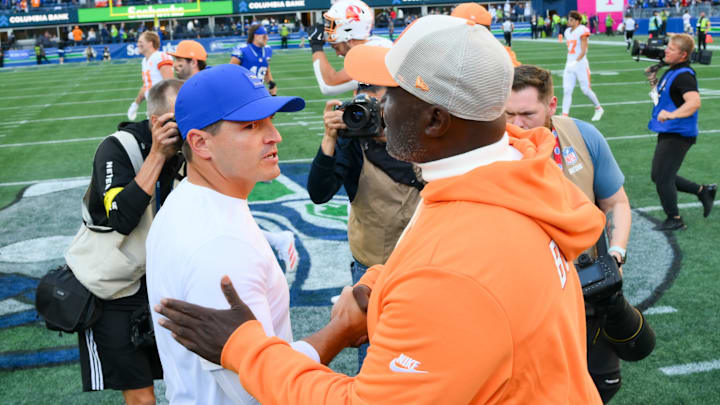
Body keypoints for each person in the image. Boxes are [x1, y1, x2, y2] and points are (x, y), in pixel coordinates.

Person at [155, 15, 606, 404]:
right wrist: (387, 281)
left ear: (434, 120)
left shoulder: (455, 265)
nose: (374, 105)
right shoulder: (508, 169)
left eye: (388, 93)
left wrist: (244, 346)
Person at [145, 65, 340, 404]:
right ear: (201, 143)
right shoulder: (221, 246)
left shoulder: (191, 201)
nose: (274, 136)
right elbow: (257, 390)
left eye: (270, 120)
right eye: (251, 126)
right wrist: (342, 331)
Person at [506, 64, 656, 403]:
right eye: (508, 113)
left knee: (602, 384)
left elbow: (616, 202)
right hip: (524, 299)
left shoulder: (584, 136)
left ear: (552, 105)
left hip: (588, 289)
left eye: (527, 113)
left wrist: (616, 254)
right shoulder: (492, 147)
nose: (516, 124)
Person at [71, 79, 185, 405]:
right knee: (141, 395)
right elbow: (121, 217)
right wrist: (159, 156)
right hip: (115, 290)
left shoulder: (191, 146)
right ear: (155, 121)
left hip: (165, 285)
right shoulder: (119, 148)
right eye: (179, 119)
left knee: (190, 379)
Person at [307, 84, 422, 369]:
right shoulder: (354, 140)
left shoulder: (421, 132)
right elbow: (319, 193)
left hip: (421, 263)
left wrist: (393, 136)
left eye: (377, 92)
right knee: (373, 355)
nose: (369, 100)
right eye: (363, 88)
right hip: (371, 268)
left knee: (418, 351)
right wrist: (329, 139)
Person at [648, 34, 716, 230]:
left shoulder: (684, 74)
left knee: (663, 177)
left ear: (683, 54)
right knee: (659, 175)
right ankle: (703, 191)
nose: (666, 51)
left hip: (679, 133)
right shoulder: (672, 71)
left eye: (671, 49)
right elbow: (662, 99)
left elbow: (694, 102)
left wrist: (672, 115)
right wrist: (653, 82)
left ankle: (675, 219)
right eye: (667, 47)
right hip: (669, 131)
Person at [308, 0, 392, 95]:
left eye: (337, 48)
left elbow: (329, 85)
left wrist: (316, 45)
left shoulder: (375, 54)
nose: (337, 54)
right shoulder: (379, 45)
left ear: (349, 39)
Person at [562, 10, 604, 121]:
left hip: (580, 64)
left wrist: (575, 62)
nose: (569, 21)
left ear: (577, 21)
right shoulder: (567, 31)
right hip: (569, 63)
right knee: (567, 90)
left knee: (585, 90)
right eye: (569, 19)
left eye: (571, 19)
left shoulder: (583, 30)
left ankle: (598, 108)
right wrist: (571, 63)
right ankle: (564, 115)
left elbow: (584, 50)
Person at [128, 31, 174, 121]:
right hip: (152, 107)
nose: (138, 44)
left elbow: (170, 84)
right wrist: (136, 104)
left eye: (140, 42)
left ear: (150, 43)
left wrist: (168, 109)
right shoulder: (145, 61)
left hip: (162, 107)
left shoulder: (160, 56)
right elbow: (147, 86)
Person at [230, 25, 278, 96]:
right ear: (256, 36)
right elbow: (230, 72)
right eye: (264, 36)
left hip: (258, 91)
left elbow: (266, 72)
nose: (267, 38)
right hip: (243, 92)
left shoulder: (268, 50)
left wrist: (271, 84)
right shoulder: (242, 50)